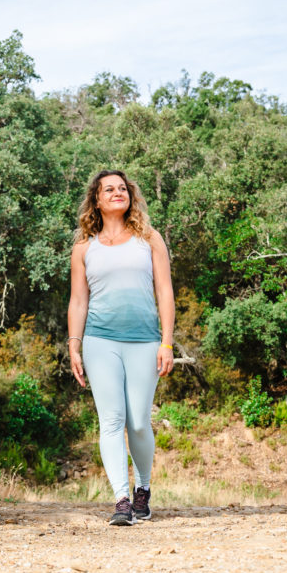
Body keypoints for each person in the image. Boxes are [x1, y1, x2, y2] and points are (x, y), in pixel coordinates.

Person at [68, 169, 175, 525]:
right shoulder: (84, 247)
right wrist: (75, 346)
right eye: (109, 189)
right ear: (96, 200)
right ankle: (122, 500)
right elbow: (79, 301)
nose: (118, 193)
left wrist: (167, 342)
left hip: (145, 340)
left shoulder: (149, 238)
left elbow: (164, 292)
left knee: (139, 422)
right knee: (111, 420)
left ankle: (143, 488)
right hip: (100, 341)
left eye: (123, 188)